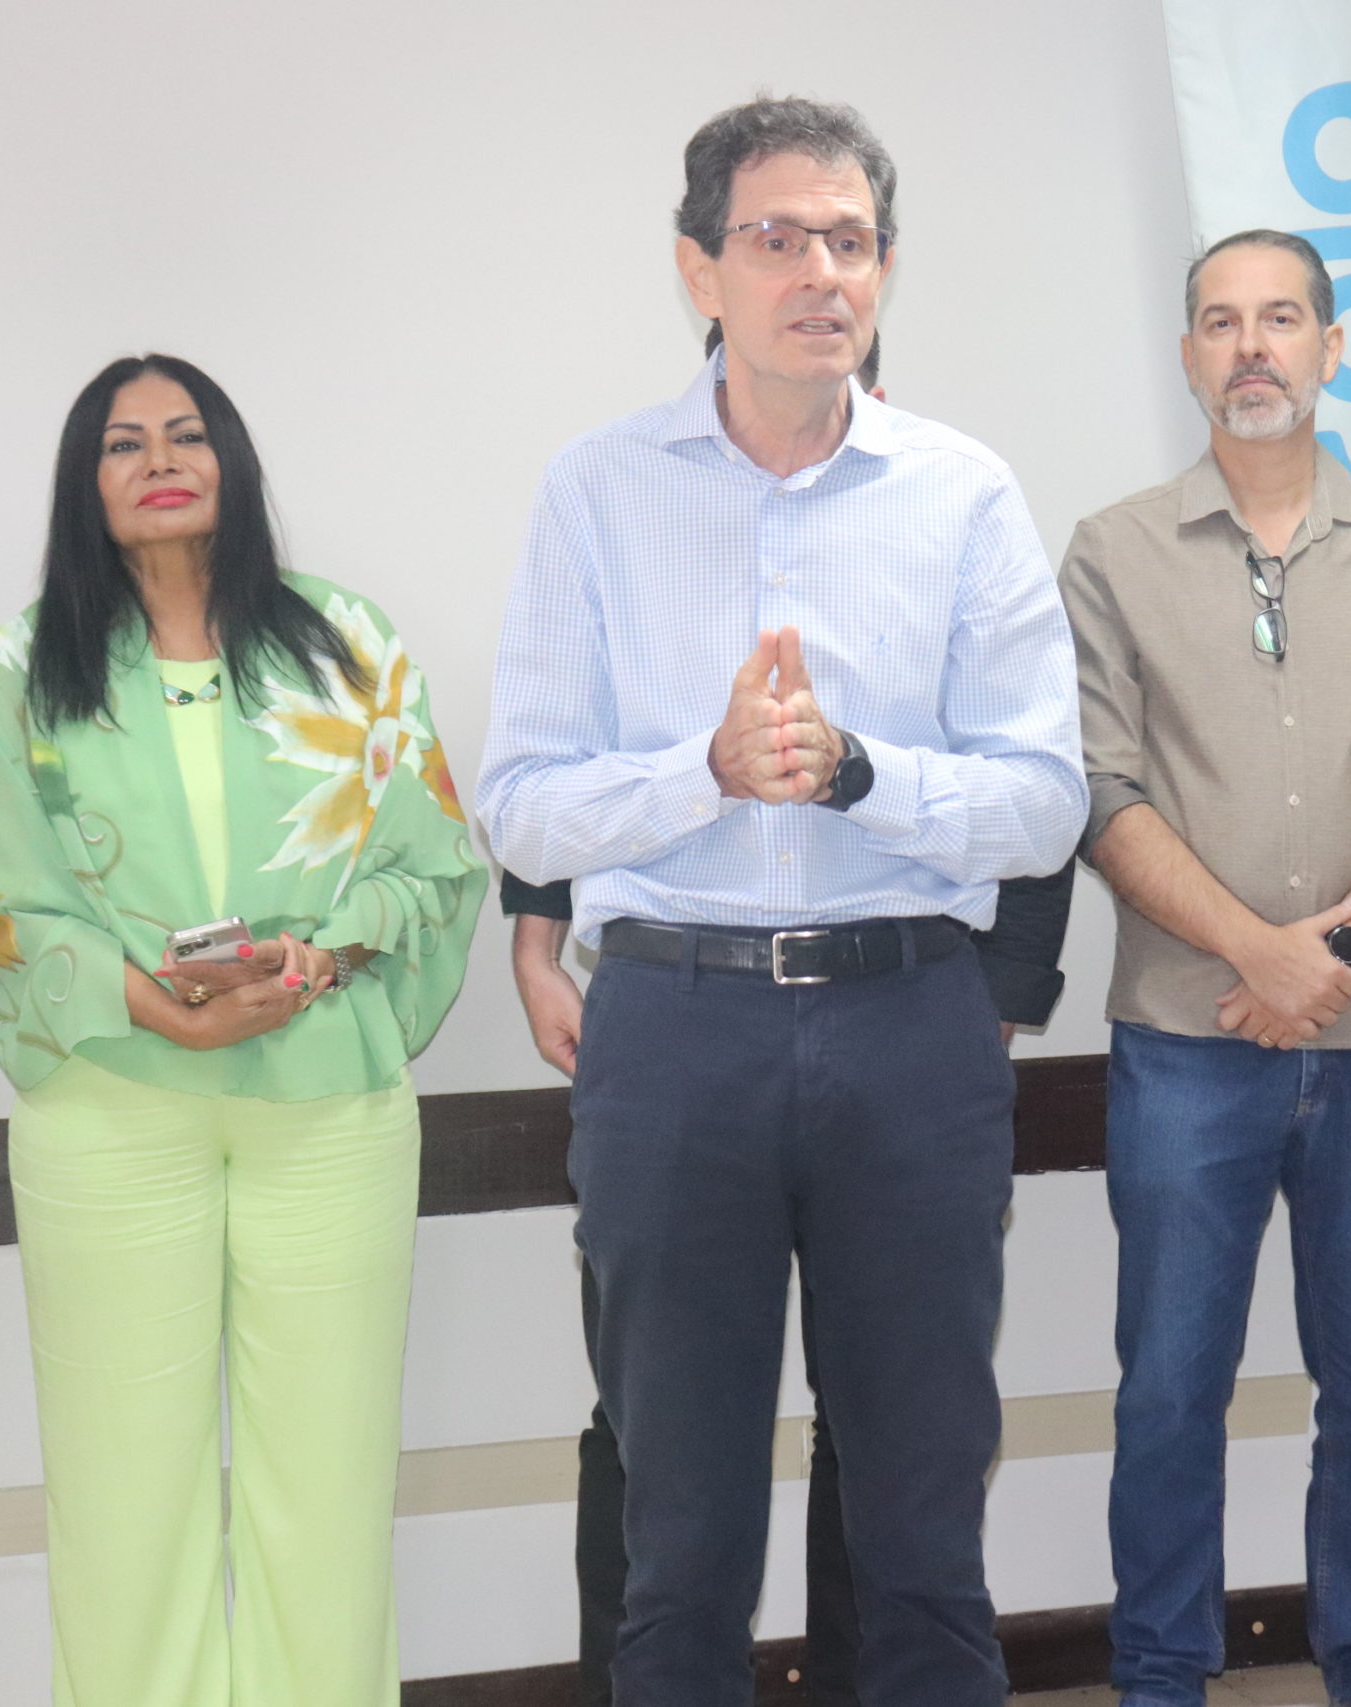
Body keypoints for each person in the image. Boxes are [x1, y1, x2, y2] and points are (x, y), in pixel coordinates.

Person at [476, 96, 1085, 1707]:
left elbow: (1045, 800)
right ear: (700, 271)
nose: (822, 271)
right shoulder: (597, 490)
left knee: (922, 1517)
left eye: (851, 240)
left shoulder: (963, 492)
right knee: (678, 1532)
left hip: (910, 1025)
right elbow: (523, 800)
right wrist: (709, 771)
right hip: (675, 1030)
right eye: (778, 238)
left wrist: (860, 773)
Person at [0, 353, 484, 1705]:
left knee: (327, 1499)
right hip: (110, 1111)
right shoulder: (20, 669)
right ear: (86, 484)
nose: (160, 460)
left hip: (328, 1110)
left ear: (231, 461)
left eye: (187, 434)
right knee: (122, 1501)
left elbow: (435, 862)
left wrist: (330, 951)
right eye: (123, 443)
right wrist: (150, 1008)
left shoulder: (349, 644)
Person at [1059, 229, 1351, 1707]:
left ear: (1333, 345)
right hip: (1188, 1042)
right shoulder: (1112, 552)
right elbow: (1100, 792)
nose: (1252, 347)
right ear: (1188, 354)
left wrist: (1339, 953)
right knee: (1169, 1395)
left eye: (1282, 319)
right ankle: (1160, 1674)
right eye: (1221, 322)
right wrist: (1260, 952)